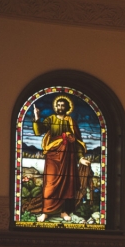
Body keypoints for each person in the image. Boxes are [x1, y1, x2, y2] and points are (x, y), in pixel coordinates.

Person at [32, 95, 92, 223]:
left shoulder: (71, 121)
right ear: (55, 107)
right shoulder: (51, 119)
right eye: (58, 105)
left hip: (68, 157)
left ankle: (64, 211)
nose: (60, 107)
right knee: (50, 184)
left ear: (67, 107)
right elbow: (38, 132)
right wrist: (37, 117)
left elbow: (78, 141)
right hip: (53, 155)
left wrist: (80, 158)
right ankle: (46, 212)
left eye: (62, 105)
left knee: (67, 185)